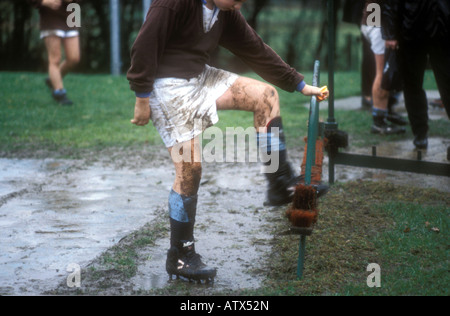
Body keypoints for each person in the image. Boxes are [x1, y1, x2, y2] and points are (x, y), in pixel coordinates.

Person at [126, 0, 329, 282]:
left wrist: (299, 84)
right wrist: (141, 96)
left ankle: (280, 183)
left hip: (200, 78)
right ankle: (181, 255)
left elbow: (254, 48)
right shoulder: (173, 3)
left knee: (265, 97)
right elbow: (145, 45)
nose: (241, 1)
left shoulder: (226, 11)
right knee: (190, 169)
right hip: (167, 86)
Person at [382, 0, 450, 149]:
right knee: (412, 84)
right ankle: (419, 132)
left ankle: (420, 133)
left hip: (441, 29)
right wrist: (390, 33)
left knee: (447, 83)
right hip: (411, 30)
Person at [360, 0, 406, 135]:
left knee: (386, 70)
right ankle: (379, 121)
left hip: (374, 22)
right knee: (383, 73)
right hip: (378, 25)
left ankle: (385, 112)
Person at [30, 0, 81, 106]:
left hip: (72, 13)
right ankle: (59, 92)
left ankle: (52, 80)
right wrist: (43, 2)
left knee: (74, 58)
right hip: (51, 15)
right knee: (55, 59)